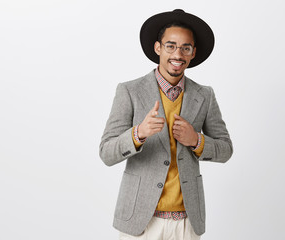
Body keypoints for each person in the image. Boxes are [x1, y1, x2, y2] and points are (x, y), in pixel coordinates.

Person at [99, 9, 233, 240]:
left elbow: (226, 149)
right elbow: (106, 153)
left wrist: (196, 141)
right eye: (170, 46)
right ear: (157, 48)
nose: (177, 54)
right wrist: (138, 133)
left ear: (193, 53)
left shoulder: (205, 95)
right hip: (140, 221)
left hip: (187, 223)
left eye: (185, 48)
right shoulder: (129, 91)